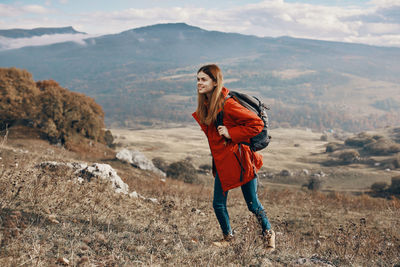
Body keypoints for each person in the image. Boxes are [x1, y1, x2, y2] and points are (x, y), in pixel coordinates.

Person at [192, 64, 275, 251]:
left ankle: (269, 235)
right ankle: (228, 238)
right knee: (218, 204)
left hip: (242, 161)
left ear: (215, 82)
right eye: (197, 79)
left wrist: (231, 132)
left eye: (203, 79)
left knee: (253, 204)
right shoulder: (208, 104)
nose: (199, 83)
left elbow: (257, 124)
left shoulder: (227, 104)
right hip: (225, 162)